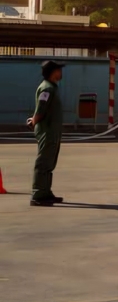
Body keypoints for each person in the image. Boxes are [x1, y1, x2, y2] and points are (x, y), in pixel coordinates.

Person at [27, 60, 66, 206]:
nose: (61, 72)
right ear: (52, 72)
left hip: (52, 131)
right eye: (58, 70)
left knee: (49, 163)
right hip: (47, 131)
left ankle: (45, 192)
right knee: (43, 162)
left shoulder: (52, 87)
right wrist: (33, 121)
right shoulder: (47, 89)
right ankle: (38, 194)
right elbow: (41, 110)